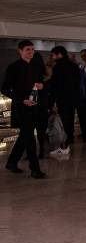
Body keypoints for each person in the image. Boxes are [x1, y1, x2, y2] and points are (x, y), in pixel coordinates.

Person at [2, 40, 46, 179]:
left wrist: (42, 86)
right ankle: (35, 169)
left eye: (33, 49)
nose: (31, 52)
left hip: (34, 105)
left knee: (25, 136)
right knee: (30, 137)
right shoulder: (13, 67)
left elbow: (40, 84)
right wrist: (21, 100)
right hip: (21, 107)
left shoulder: (36, 66)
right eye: (28, 49)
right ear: (20, 51)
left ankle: (11, 162)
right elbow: (4, 88)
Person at [49, 45, 80, 147]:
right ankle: (70, 137)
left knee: (63, 119)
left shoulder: (58, 67)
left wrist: (52, 99)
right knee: (70, 118)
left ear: (59, 54)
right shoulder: (74, 65)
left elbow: (54, 84)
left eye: (53, 55)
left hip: (62, 98)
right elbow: (78, 83)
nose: (52, 57)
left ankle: (65, 138)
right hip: (73, 98)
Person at [31, 52, 50, 158]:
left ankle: (31, 151)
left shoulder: (29, 71)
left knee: (29, 129)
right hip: (42, 104)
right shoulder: (44, 73)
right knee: (41, 129)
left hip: (31, 103)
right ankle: (41, 150)